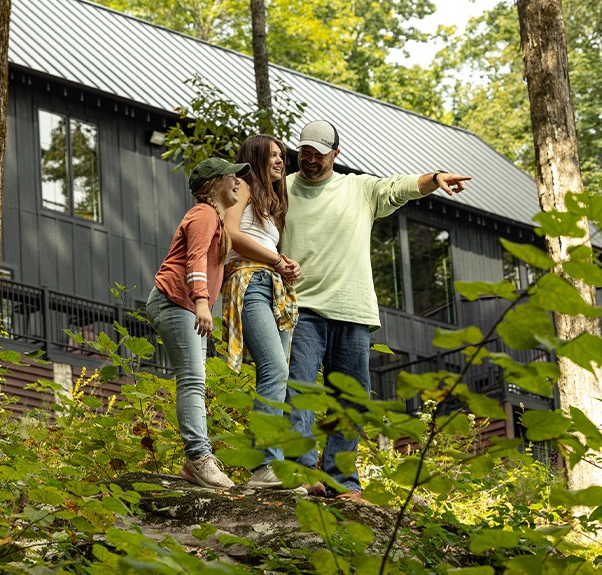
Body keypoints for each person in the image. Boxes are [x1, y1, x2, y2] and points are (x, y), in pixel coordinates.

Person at [281, 120, 472, 499]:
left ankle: (342, 480)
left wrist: (434, 178)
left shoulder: (359, 189)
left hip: (352, 310)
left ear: (336, 154)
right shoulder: (282, 190)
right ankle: (301, 473)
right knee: (298, 390)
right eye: (304, 152)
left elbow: (399, 186)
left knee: (351, 399)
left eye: (318, 154)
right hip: (300, 307)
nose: (310, 160)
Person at [146, 157, 247, 489]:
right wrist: (202, 302)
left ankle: (196, 462)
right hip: (176, 301)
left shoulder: (214, 218)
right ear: (213, 184)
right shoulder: (204, 214)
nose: (237, 182)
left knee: (195, 381)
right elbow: (195, 259)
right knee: (191, 380)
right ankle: (199, 459)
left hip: (185, 304)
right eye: (231, 176)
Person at [221, 134, 302, 490]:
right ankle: (265, 464)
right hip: (250, 281)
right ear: (255, 158)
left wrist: (287, 267)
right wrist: (277, 259)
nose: (280, 160)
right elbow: (230, 233)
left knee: (280, 378)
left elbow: (267, 245)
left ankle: (275, 465)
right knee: (275, 368)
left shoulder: (272, 202)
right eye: (272, 155)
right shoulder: (242, 185)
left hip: (274, 286)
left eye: (282, 155)